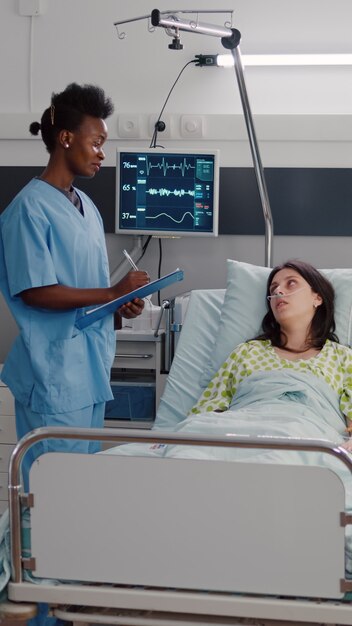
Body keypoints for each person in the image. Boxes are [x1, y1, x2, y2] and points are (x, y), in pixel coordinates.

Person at [0, 83, 150, 488]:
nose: (103, 153)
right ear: (66, 139)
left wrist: (120, 308)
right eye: (97, 142)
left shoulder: (88, 210)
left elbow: (90, 291)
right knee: (49, 495)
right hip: (53, 375)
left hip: (90, 371)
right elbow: (35, 291)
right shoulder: (28, 210)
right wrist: (112, 293)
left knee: (80, 492)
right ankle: (27, 553)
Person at [189, 260, 352, 449]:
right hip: (243, 436)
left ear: (317, 298)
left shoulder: (342, 358)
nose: (278, 292)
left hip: (307, 438)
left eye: (291, 283)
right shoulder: (247, 352)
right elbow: (207, 412)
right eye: (273, 288)